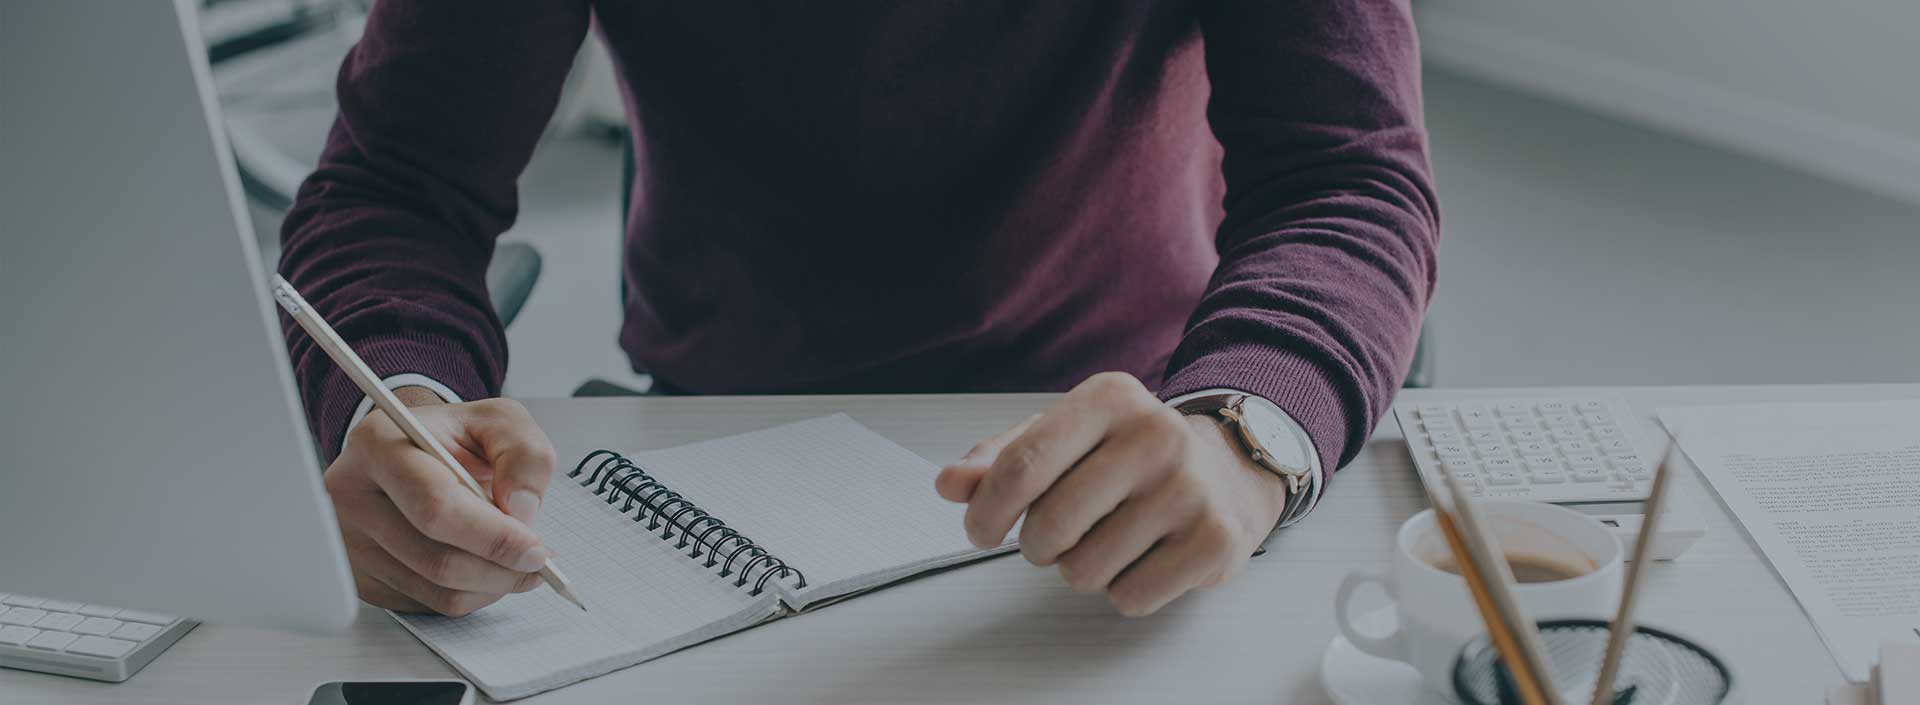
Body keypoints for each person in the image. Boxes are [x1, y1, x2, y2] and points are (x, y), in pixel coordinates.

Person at [280, 1, 1438, 619]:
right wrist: (399, 397)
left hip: (1136, 435)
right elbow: (398, 181)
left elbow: (1348, 179)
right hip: (719, 441)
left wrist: (1243, 434)